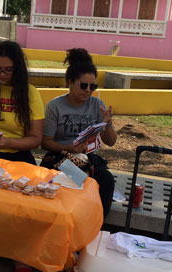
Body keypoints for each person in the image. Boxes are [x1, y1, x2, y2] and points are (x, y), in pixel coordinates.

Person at [41, 48, 117, 218]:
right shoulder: (55, 106)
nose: (88, 90)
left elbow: (111, 142)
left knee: (106, 181)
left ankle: (97, 226)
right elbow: (45, 142)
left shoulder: (97, 104)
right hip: (60, 156)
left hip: (88, 158)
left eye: (93, 86)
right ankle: (64, 222)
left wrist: (107, 123)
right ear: (70, 82)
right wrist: (68, 147)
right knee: (79, 178)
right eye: (83, 85)